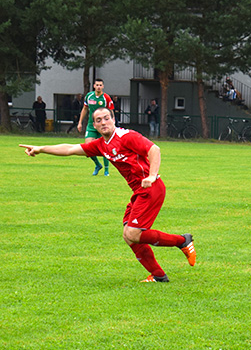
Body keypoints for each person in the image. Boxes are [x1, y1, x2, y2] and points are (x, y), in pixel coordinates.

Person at [20, 107, 197, 283]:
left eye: (106, 118)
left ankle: (182, 241)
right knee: (129, 236)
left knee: (133, 233)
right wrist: (41, 148)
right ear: (94, 125)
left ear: (113, 119)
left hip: (151, 188)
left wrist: (151, 175)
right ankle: (159, 276)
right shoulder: (101, 145)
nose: (103, 122)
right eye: (98, 120)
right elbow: (70, 149)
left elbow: (154, 150)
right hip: (139, 192)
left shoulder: (126, 137)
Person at [78, 78, 113, 176]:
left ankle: (106, 170)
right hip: (91, 125)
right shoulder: (89, 96)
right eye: (97, 85)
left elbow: (111, 111)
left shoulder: (106, 97)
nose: (98, 87)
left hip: (103, 125)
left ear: (103, 86)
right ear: (94, 86)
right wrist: (80, 122)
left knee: (105, 147)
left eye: (100, 85)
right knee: (87, 148)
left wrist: (112, 123)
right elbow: (84, 109)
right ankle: (98, 165)